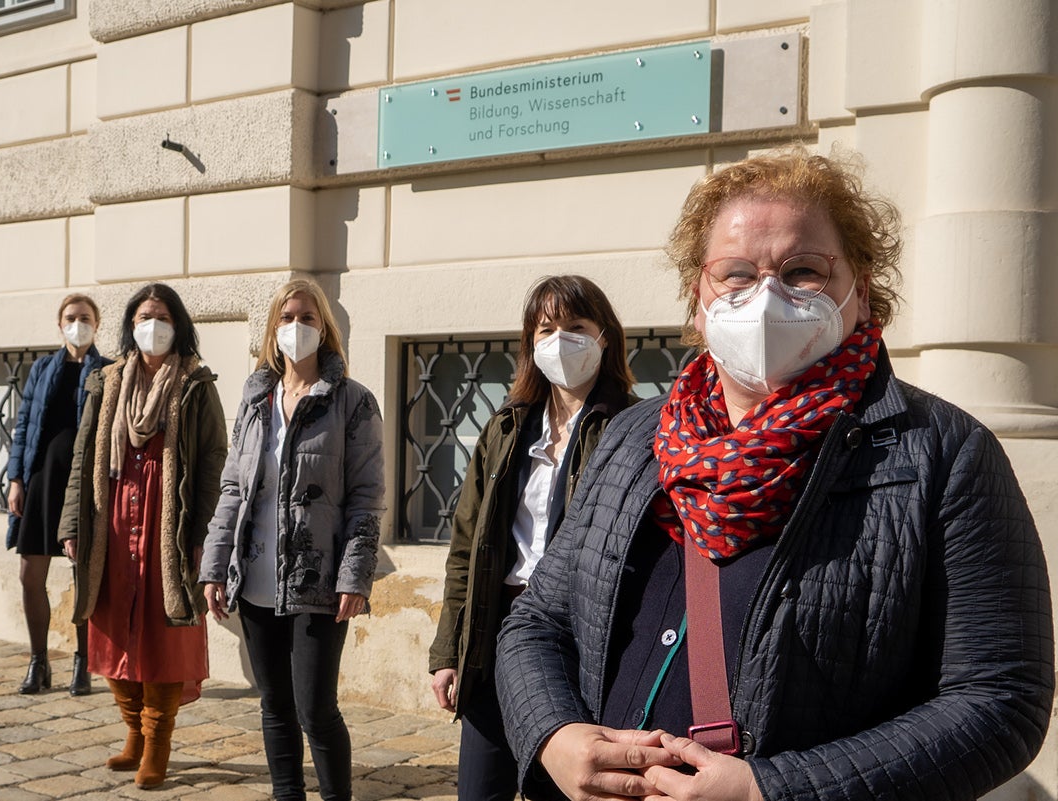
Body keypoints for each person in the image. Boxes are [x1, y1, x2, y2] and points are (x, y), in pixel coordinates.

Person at [495, 148, 1054, 801]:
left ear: (860, 290)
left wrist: (770, 790)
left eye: (803, 271)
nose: (765, 297)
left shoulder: (944, 454)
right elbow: (538, 621)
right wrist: (556, 737)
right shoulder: (631, 437)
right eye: (735, 273)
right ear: (698, 302)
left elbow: (999, 700)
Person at [427, 275, 636, 800]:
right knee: (480, 790)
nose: (561, 339)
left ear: (604, 337)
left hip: (576, 635)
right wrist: (448, 649)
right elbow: (466, 547)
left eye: (576, 326)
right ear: (530, 342)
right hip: (497, 628)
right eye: (547, 328)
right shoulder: (505, 428)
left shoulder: (632, 427)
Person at [201, 278, 385, 801]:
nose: (296, 328)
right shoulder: (255, 397)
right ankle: (286, 794)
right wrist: (215, 565)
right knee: (274, 704)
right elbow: (233, 486)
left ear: (324, 328)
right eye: (287, 319)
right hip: (256, 576)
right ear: (272, 330)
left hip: (317, 580)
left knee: (315, 710)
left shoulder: (353, 401)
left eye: (307, 318)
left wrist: (356, 575)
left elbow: (367, 498)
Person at [59, 282, 228, 790]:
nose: (151, 326)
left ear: (178, 325)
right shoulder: (105, 381)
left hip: (166, 527)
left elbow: (213, 464)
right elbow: (82, 456)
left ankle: (158, 744)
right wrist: (72, 524)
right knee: (110, 630)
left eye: (161, 317)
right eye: (141, 317)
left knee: (162, 638)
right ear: (129, 326)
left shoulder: (196, 383)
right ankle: (132, 734)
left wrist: (204, 533)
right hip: (111, 525)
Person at [6, 293, 110, 696]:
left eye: (85, 317)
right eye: (71, 317)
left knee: (84, 575)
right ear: (59, 323)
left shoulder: (107, 370)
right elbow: (24, 425)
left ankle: (83, 663)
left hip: (82, 487)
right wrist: (16, 479)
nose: (77, 323)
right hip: (41, 482)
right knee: (30, 574)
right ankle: (39, 662)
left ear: (96, 323)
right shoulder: (43, 368)